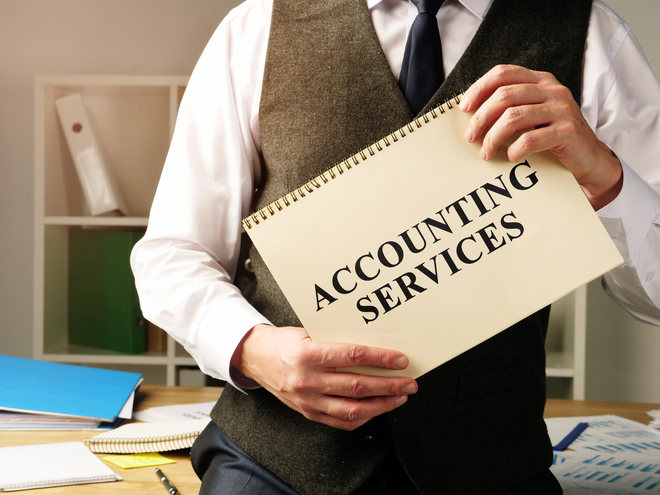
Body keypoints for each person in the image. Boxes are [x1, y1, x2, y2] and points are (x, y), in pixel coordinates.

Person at [130, 0, 660, 493]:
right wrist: (252, 350)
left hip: (493, 466)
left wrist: (610, 181)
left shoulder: (592, 35)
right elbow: (173, 254)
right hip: (275, 465)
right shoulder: (256, 27)